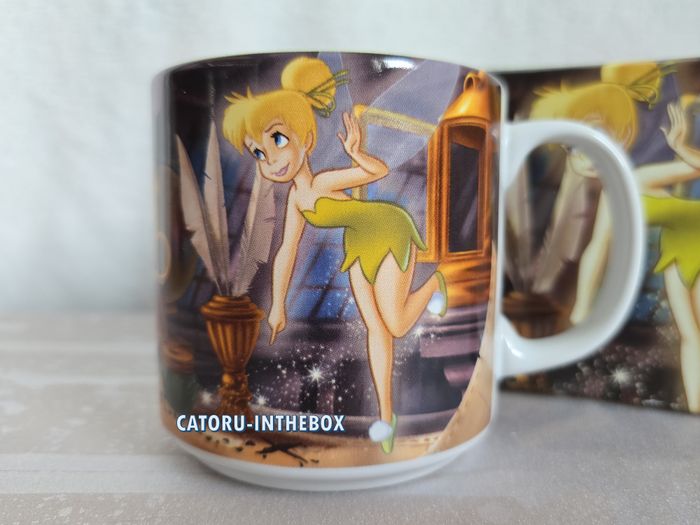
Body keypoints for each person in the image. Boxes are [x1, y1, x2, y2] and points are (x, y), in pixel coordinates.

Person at [222, 56, 448, 452]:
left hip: (387, 227)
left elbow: (376, 172)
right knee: (376, 328)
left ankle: (433, 285)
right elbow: (286, 251)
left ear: (306, 139)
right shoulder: (298, 200)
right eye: (258, 152)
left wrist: (356, 151)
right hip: (358, 243)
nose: (271, 160)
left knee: (395, 325)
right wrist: (278, 307)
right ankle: (386, 420)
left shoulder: (324, 182)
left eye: (277, 141)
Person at [531, 63, 700, 412]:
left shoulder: (640, 177)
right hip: (677, 252)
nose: (582, 157)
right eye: (572, 147)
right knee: (690, 337)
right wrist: (581, 311)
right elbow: (598, 247)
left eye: (595, 134)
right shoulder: (615, 190)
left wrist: (681, 145)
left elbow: (693, 168)